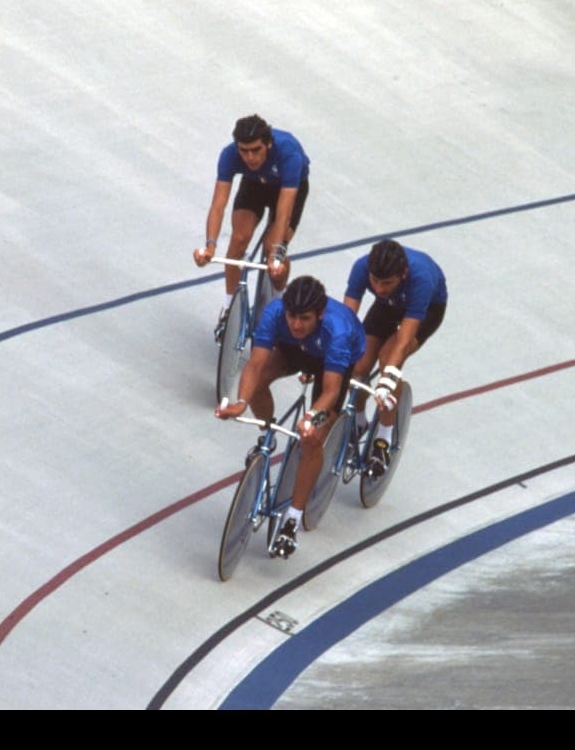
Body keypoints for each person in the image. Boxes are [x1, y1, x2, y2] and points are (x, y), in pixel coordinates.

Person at [215, 275, 366, 559]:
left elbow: (331, 392)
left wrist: (311, 417)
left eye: (304, 318)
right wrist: (241, 402)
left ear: (319, 314)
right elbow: (256, 364)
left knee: (313, 439)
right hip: (294, 350)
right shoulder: (274, 314)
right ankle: (268, 436)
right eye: (292, 317)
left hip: (332, 365)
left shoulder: (338, 331)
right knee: (259, 383)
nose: (296, 324)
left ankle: (292, 519)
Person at [192, 114, 311, 341]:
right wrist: (210, 246)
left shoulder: (289, 153)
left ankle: (277, 307)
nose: (250, 157)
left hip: (287, 189)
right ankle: (230, 310)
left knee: (272, 250)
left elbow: (284, 210)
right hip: (255, 185)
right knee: (238, 239)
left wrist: (276, 253)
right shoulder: (229, 155)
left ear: (268, 143)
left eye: (256, 150)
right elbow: (218, 204)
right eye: (244, 151)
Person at [343, 238, 448, 479]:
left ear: (403, 274)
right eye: (375, 281)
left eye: (386, 282)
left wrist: (388, 378)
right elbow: (346, 320)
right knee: (358, 363)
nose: (378, 288)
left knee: (387, 361)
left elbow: (404, 339)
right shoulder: (362, 268)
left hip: (427, 309)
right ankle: (359, 421)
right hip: (388, 305)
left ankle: (383, 439)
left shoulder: (420, 279)